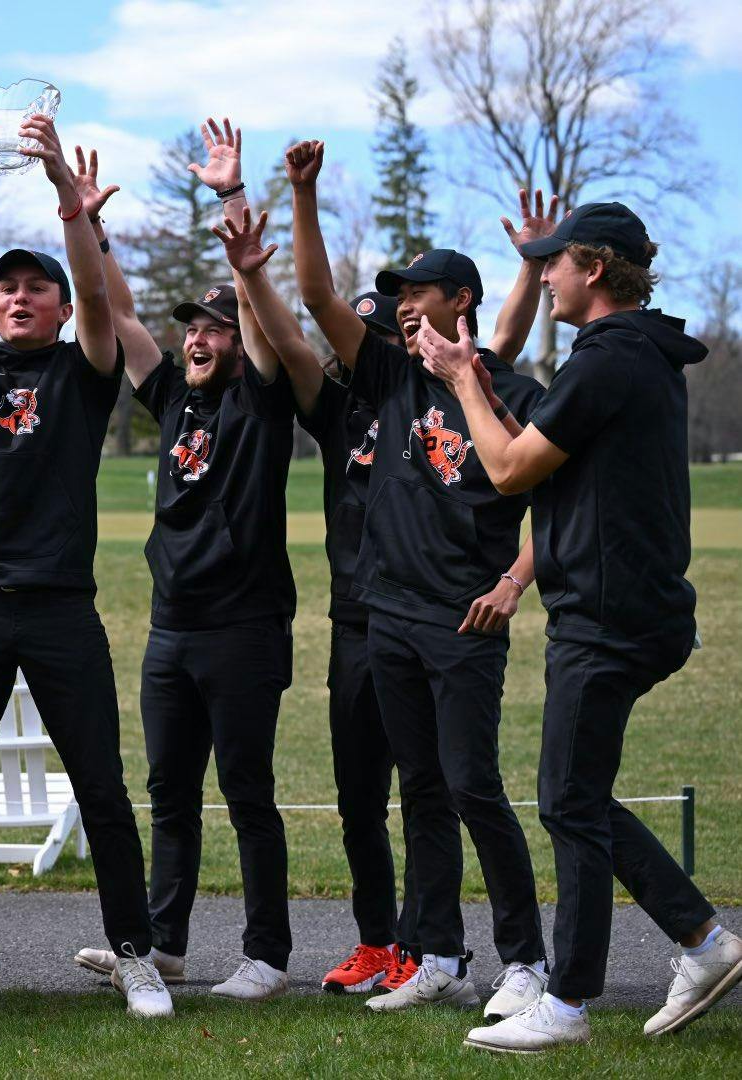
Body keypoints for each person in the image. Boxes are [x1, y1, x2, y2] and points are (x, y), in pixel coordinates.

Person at [420, 202, 741, 1053]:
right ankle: (703, 942)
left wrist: (459, 381)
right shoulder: (624, 354)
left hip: (608, 618)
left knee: (566, 797)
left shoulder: (610, 358)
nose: (544, 275)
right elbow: (556, 472)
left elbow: (509, 465)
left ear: (593, 268)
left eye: (551, 263)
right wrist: (522, 572)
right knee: (580, 796)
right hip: (621, 610)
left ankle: (568, 1003)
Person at [0, 105, 171, 1020]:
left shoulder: (84, 372)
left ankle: (136, 954)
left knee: (100, 784)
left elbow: (104, 301)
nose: (19, 298)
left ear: (57, 308)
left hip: (59, 608)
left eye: (36, 290)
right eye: (6, 288)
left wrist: (65, 189)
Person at [288, 137, 554, 1022]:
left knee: (473, 785)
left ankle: (527, 963)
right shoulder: (390, 376)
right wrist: (305, 194)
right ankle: (437, 952)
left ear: (461, 301)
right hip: (387, 617)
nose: (403, 306)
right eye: (397, 295)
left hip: (462, 624)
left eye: (418, 292)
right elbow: (321, 298)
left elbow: (557, 508)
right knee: (422, 792)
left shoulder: (511, 387)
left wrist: (515, 582)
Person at [67, 121, 298, 1003]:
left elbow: (266, 329)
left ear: (240, 342)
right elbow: (120, 317)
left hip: (244, 629)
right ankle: (162, 945)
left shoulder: (262, 401)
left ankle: (267, 956)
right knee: (168, 795)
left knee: (246, 792)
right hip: (173, 630)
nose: (199, 339)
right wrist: (88, 229)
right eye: (193, 328)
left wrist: (231, 209)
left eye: (216, 328)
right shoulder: (172, 398)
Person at [294, 285, 421, 995]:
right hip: (354, 625)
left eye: (388, 338)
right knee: (359, 801)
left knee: (427, 796)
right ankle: (376, 942)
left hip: (420, 617)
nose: (374, 350)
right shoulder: (335, 413)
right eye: (364, 338)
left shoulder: (427, 399)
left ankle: (424, 946)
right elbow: (296, 332)